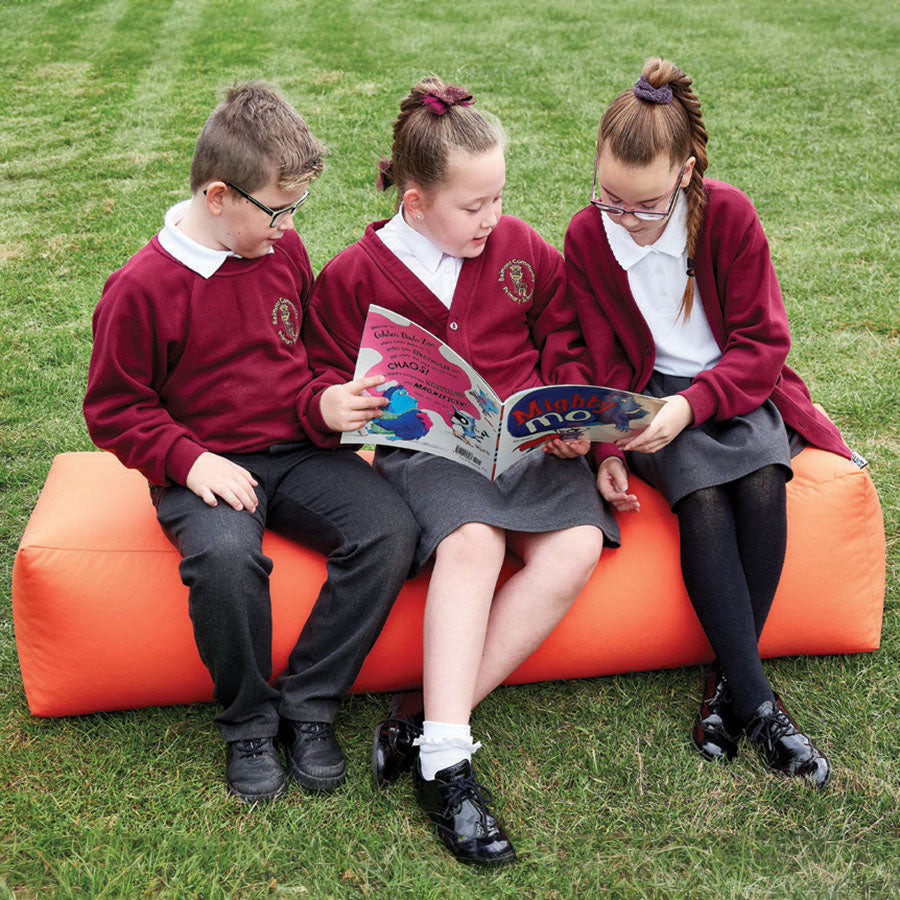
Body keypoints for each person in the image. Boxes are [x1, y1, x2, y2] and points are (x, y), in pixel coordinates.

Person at [299, 76, 619, 866]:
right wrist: (338, 402)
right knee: (473, 542)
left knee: (577, 545)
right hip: (431, 453)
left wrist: (570, 419)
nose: (492, 218)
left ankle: (419, 718)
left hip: (527, 447)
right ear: (415, 203)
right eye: (473, 206)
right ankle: (446, 764)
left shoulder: (519, 248)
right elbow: (318, 374)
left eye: (498, 198)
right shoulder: (354, 275)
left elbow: (564, 333)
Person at [83, 82, 419, 804]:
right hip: (204, 467)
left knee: (390, 531)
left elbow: (303, 360)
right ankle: (249, 723)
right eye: (277, 209)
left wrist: (326, 402)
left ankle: (309, 704)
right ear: (217, 196)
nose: (289, 226)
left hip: (297, 453)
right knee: (227, 560)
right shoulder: (141, 289)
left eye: (296, 208)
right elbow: (114, 409)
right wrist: (189, 460)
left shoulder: (280, 250)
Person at [565, 58, 854, 789]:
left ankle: (729, 689)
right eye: (610, 198)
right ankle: (762, 706)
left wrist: (695, 404)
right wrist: (609, 445)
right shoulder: (587, 236)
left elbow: (763, 344)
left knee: (761, 481)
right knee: (699, 491)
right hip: (645, 397)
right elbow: (595, 358)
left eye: (645, 205)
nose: (624, 217)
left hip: (733, 385)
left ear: (687, 173)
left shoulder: (728, 216)